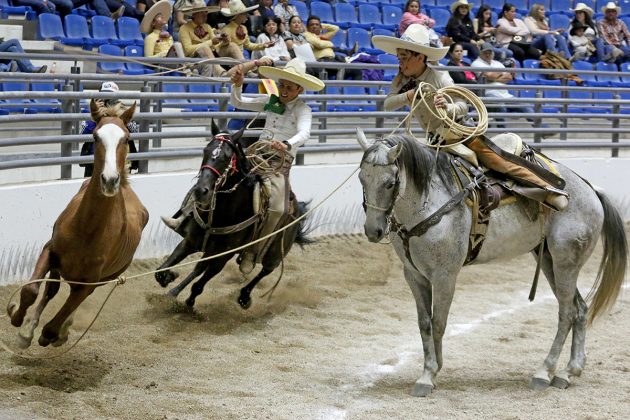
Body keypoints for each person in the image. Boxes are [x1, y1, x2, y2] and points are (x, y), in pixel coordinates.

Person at [371, 24, 568, 210]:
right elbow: (388, 103)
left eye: (404, 57)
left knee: (496, 161)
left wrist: (447, 108)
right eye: (399, 57)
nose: (401, 62)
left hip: (458, 133)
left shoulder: (440, 78)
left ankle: (547, 189)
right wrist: (409, 95)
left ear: (420, 57)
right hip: (434, 139)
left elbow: (463, 105)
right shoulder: (402, 79)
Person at [230, 58, 323, 273]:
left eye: (290, 87)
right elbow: (239, 102)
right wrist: (237, 84)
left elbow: (305, 133)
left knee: (277, 208)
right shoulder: (271, 99)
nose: (284, 90)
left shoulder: (303, 110)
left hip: (279, 164)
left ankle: (253, 253)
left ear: (299, 89)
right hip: (257, 155)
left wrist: (287, 144)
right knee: (220, 172)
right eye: (282, 85)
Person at [471, 42, 553, 132]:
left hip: (506, 95)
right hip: (488, 95)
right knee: (500, 106)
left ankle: (544, 130)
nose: (488, 54)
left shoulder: (497, 63)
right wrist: (501, 73)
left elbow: (509, 77)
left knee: (525, 105)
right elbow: (491, 76)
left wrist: (493, 76)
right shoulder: (476, 63)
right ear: (480, 53)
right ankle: (503, 133)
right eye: (485, 52)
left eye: (490, 52)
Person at [179, 0, 257, 77]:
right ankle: (220, 73)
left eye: (206, 12)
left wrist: (224, 41)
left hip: (212, 55)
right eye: (202, 13)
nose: (205, 15)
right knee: (204, 47)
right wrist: (210, 42)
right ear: (194, 15)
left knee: (232, 45)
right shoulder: (184, 28)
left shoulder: (207, 26)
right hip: (195, 59)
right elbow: (188, 49)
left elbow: (216, 46)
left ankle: (247, 69)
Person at [79, 82, 139, 177]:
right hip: (94, 161)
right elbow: (82, 132)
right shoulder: (93, 110)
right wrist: (96, 116)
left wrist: (120, 116)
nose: (108, 99)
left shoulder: (123, 110)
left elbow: (134, 131)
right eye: (105, 95)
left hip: (119, 159)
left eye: (111, 96)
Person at [304, 15, 361, 80]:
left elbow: (335, 28)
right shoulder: (307, 35)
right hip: (321, 61)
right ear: (307, 27)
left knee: (357, 70)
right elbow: (319, 44)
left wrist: (321, 26)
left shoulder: (323, 36)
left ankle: (356, 89)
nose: (314, 26)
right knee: (341, 65)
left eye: (317, 24)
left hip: (332, 60)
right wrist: (330, 43)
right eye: (312, 25)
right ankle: (339, 81)